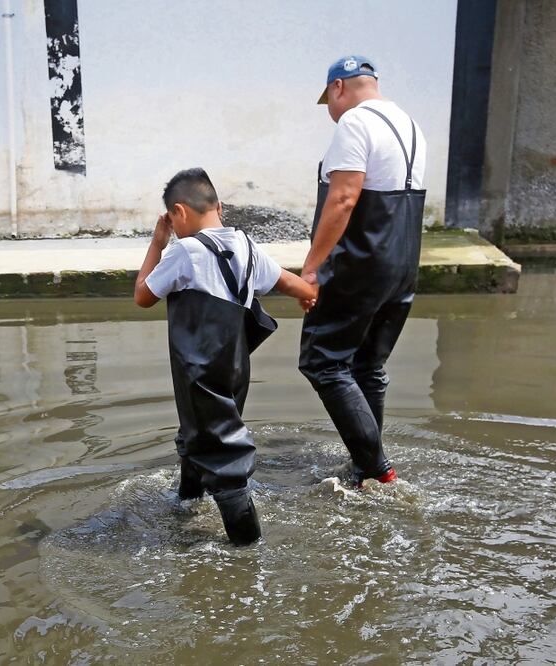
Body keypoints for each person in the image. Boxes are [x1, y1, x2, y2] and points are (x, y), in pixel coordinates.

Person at [134, 168, 317, 546]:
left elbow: (143, 295)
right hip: (234, 367)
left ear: (178, 214)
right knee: (200, 435)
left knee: (222, 455)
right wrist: (308, 295)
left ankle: (247, 552)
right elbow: (287, 281)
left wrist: (157, 242)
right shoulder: (246, 245)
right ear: (219, 206)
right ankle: (188, 504)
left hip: (199, 369)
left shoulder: (184, 250)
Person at [299, 55, 427, 486]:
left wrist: (312, 268)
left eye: (329, 101)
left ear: (338, 88)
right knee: (367, 365)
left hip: (361, 262)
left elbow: (343, 199)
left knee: (323, 362)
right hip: (403, 264)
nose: (331, 112)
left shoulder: (354, 123)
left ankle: (376, 468)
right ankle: (366, 467)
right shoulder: (410, 124)